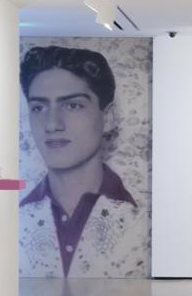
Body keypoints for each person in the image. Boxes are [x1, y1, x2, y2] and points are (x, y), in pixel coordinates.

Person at [18, 46, 145, 278]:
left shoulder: (141, 214)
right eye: (38, 107)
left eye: (72, 105)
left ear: (107, 118)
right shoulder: (19, 212)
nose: (52, 124)